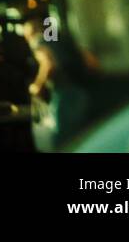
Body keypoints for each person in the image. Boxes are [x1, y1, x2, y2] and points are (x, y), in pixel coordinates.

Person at [23, 14, 89, 152]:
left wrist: (37, 85)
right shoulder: (57, 39)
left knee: (63, 135)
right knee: (79, 130)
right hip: (80, 87)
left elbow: (48, 63)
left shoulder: (38, 42)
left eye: (25, 34)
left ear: (31, 32)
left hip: (63, 90)